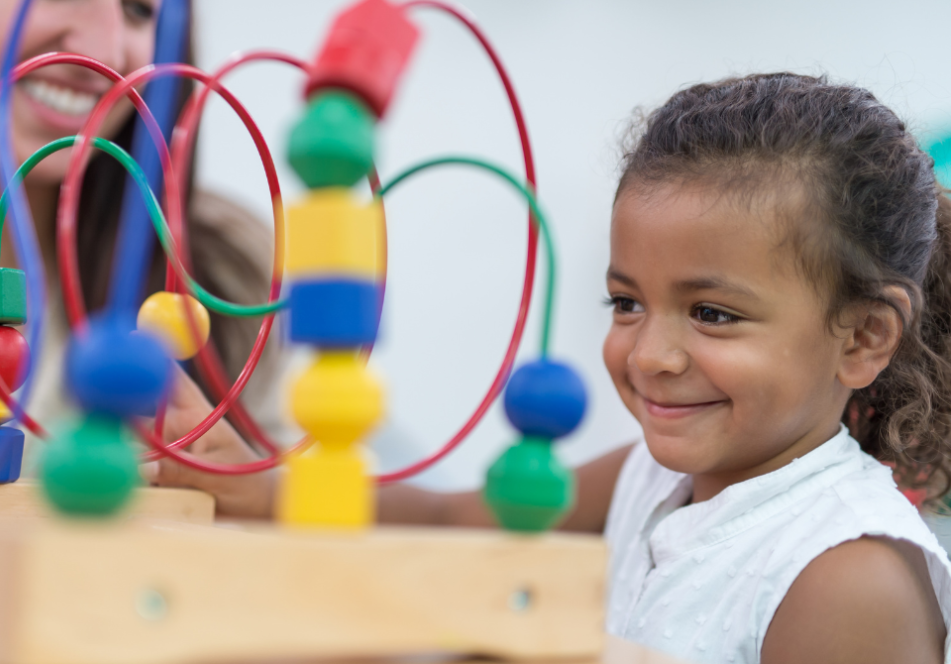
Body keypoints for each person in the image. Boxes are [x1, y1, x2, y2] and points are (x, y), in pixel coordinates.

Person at [151, 73, 951, 663]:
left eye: (713, 314)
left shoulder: (850, 576)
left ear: (863, 338)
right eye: (626, 303)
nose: (649, 355)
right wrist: (254, 484)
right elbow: (455, 522)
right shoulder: (648, 476)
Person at [0, 0, 281, 473]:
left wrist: (251, 494)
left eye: (136, 10)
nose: (105, 53)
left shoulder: (229, 275)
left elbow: (355, 515)